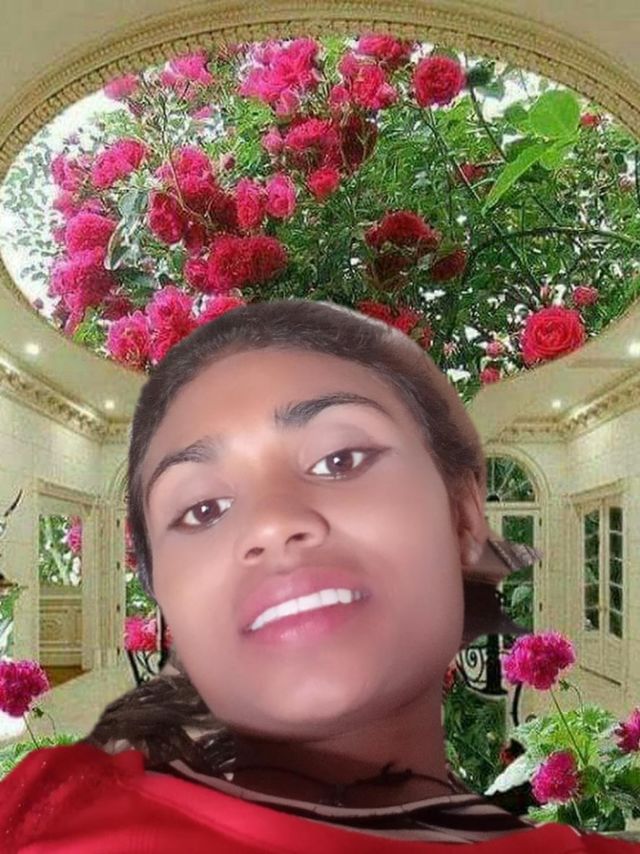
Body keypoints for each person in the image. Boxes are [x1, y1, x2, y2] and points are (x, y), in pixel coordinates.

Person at [0, 299, 636, 852]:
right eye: (203, 509)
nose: (273, 523)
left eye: (341, 459)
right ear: (162, 591)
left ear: (465, 516)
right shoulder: (41, 822)